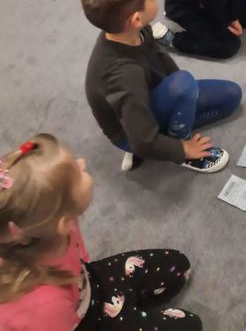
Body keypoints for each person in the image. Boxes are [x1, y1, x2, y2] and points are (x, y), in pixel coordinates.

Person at [0, 133, 202, 330]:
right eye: (76, 173)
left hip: (91, 286)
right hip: (84, 322)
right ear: (64, 221)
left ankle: (133, 312)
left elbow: (81, 260)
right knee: (192, 325)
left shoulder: (57, 225)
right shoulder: (45, 306)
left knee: (179, 266)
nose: (82, 163)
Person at [81, 0, 241, 173]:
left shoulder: (133, 29)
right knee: (183, 85)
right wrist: (182, 149)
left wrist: (181, 95)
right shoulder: (123, 75)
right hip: (132, 134)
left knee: (231, 95)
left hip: (150, 97)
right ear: (136, 19)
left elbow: (161, 58)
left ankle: (164, 132)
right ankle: (177, 145)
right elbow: (142, 140)